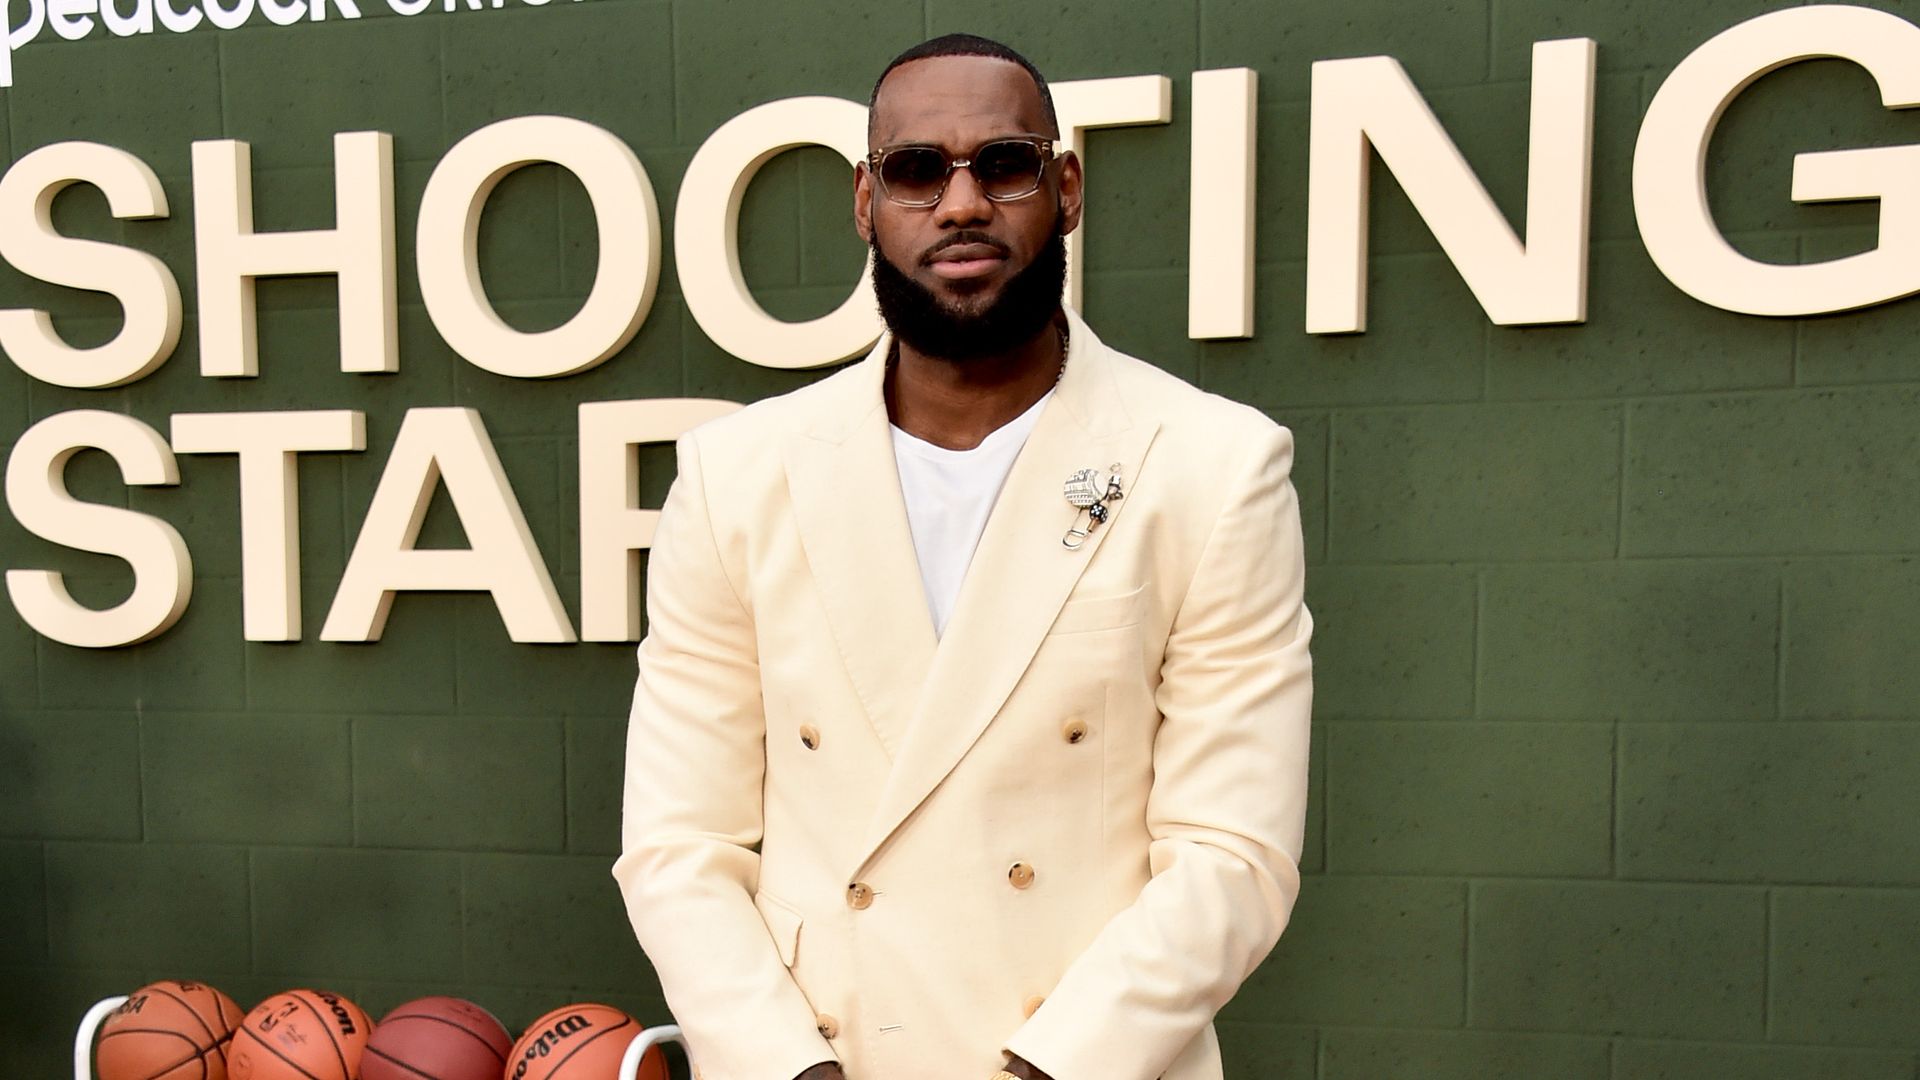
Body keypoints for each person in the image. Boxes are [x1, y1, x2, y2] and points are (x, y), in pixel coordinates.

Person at [612, 33, 1313, 1080]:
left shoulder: (1212, 465)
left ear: (1065, 187)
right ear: (865, 204)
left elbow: (1232, 855)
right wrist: (788, 1069)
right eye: (915, 170)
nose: (961, 202)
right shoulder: (736, 477)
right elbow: (679, 845)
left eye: (1004, 163)